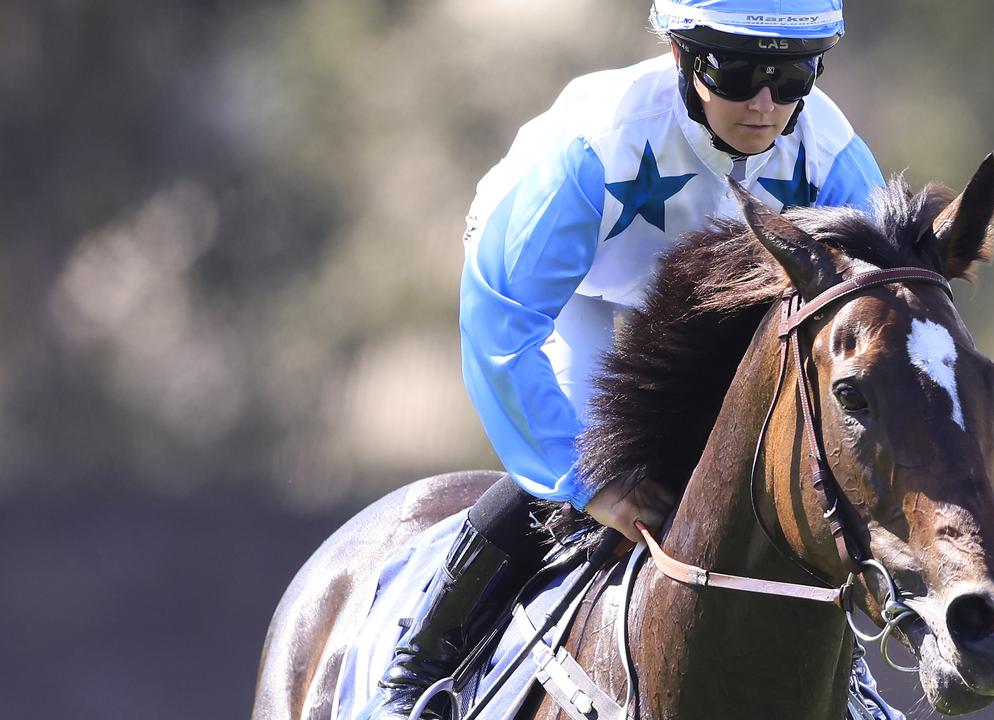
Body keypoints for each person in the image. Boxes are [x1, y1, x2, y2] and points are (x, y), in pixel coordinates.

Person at [370, 2, 900, 718]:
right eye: (738, 72)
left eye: (791, 75)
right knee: (597, 448)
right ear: (681, 56)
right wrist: (584, 482)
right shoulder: (596, 146)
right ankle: (419, 659)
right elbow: (502, 325)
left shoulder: (833, 161)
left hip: (703, 310)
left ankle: (847, 671)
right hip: (572, 290)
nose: (765, 104)